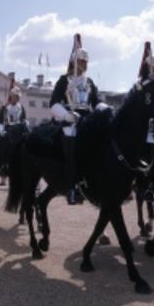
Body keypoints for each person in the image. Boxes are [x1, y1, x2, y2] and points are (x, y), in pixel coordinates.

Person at [50, 33, 100, 205]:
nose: (84, 64)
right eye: (81, 61)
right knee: (71, 141)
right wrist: (66, 115)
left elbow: (96, 102)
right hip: (69, 119)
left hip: (87, 119)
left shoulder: (90, 82)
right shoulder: (64, 80)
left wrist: (104, 109)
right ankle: (72, 187)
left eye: (86, 62)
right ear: (74, 61)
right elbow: (53, 103)